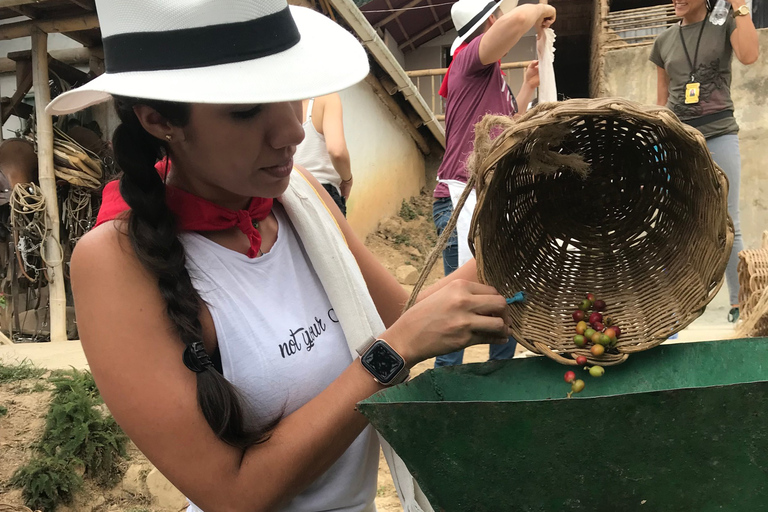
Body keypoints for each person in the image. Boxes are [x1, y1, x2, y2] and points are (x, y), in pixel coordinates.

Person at [48, 1, 514, 511]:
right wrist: (391, 354)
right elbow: (233, 493)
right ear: (159, 120)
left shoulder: (298, 198)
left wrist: (522, 238)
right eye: (247, 111)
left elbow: (399, 311)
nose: (292, 132)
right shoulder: (115, 263)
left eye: (291, 97)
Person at [433, 0, 556, 367]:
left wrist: (527, 88)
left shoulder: (488, 76)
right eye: (496, 15)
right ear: (488, 20)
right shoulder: (470, 59)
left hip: (487, 199)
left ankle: (496, 378)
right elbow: (520, 18)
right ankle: (445, 392)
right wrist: (541, 9)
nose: (504, 19)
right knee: (461, 308)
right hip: (462, 198)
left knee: (507, 300)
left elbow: (502, 126)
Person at [651, 0, 758, 323]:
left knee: (728, 220)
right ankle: (671, 312)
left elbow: (749, 55)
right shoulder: (663, 42)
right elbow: (660, 100)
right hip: (679, 140)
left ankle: (742, 305)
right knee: (675, 225)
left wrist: (739, 5)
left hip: (719, 131)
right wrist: (657, 142)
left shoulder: (723, 24)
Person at [294, 93, 353, 216]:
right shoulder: (327, 97)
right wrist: (347, 180)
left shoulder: (278, 102)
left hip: (285, 194)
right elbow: (337, 151)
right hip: (322, 192)